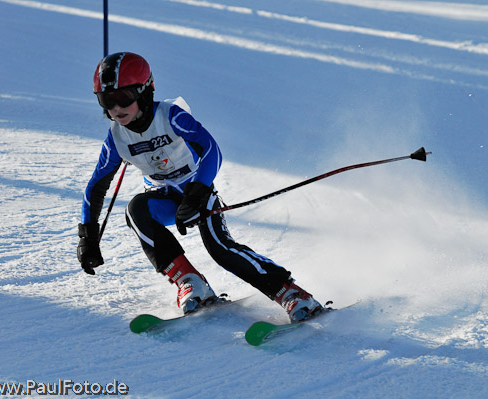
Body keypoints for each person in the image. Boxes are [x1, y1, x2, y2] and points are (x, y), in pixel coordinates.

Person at [77, 52, 323, 322]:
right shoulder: (116, 138)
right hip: (165, 199)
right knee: (136, 210)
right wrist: (88, 237)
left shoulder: (170, 116)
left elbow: (212, 150)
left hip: (198, 191)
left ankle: (291, 293)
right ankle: (191, 282)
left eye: (122, 98)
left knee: (220, 249)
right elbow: (96, 186)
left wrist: (198, 193)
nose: (115, 109)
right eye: (106, 101)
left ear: (145, 91)